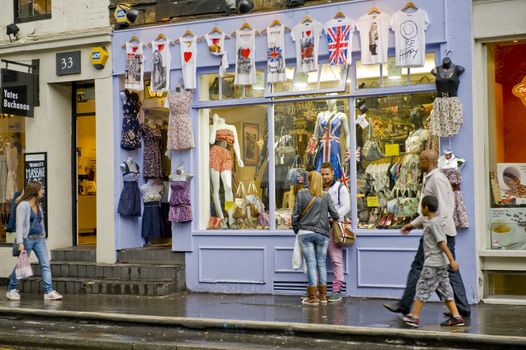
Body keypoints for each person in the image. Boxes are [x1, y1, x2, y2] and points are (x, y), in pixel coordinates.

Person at [384, 149, 470, 317]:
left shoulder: (436, 179)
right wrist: (413, 223)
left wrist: (436, 230)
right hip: (439, 230)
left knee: (419, 267)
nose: (418, 163)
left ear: (427, 161)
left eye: (421, 160)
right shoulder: (434, 178)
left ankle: (406, 305)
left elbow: (442, 207)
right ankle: (461, 308)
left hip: (438, 232)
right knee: (448, 269)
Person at [402, 195, 464, 328]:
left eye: (421, 207)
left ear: (425, 208)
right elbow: (422, 219)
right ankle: (457, 317)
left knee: (423, 288)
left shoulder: (434, 223)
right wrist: (411, 225)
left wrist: (452, 260)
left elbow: (442, 243)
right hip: (441, 264)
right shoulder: (432, 221)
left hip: (433, 263)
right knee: (445, 289)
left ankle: (414, 316)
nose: (421, 210)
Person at [6, 182, 63, 301]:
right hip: (28, 240)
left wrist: (43, 234)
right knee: (21, 265)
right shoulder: (23, 205)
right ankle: (11, 289)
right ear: (35, 191)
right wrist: (20, 242)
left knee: (45, 264)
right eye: (40, 189)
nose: (42, 191)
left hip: (39, 239)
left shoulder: (37, 204)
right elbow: (20, 225)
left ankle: (48, 291)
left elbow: (40, 221)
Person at [292, 171, 340, 306]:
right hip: (322, 233)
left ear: (309, 180)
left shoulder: (301, 193)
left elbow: (295, 215)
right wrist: (327, 219)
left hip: (305, 232)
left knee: (311, 264)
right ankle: (323, 296)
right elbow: (336, 215)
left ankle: (313, 297)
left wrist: (297, 229)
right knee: (321, 263)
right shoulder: (326, 195)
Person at [320, 162, 350, 302]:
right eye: (322, 174)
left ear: (332, 174)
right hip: (319, 228)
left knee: (336, 259)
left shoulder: (340, 188)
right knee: (318, 260)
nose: (324, 176)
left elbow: (346, 206)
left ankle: (337, 291)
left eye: (327, 174)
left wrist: (333, 218)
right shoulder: (318, 188)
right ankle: (318, 290)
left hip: (334, 227)